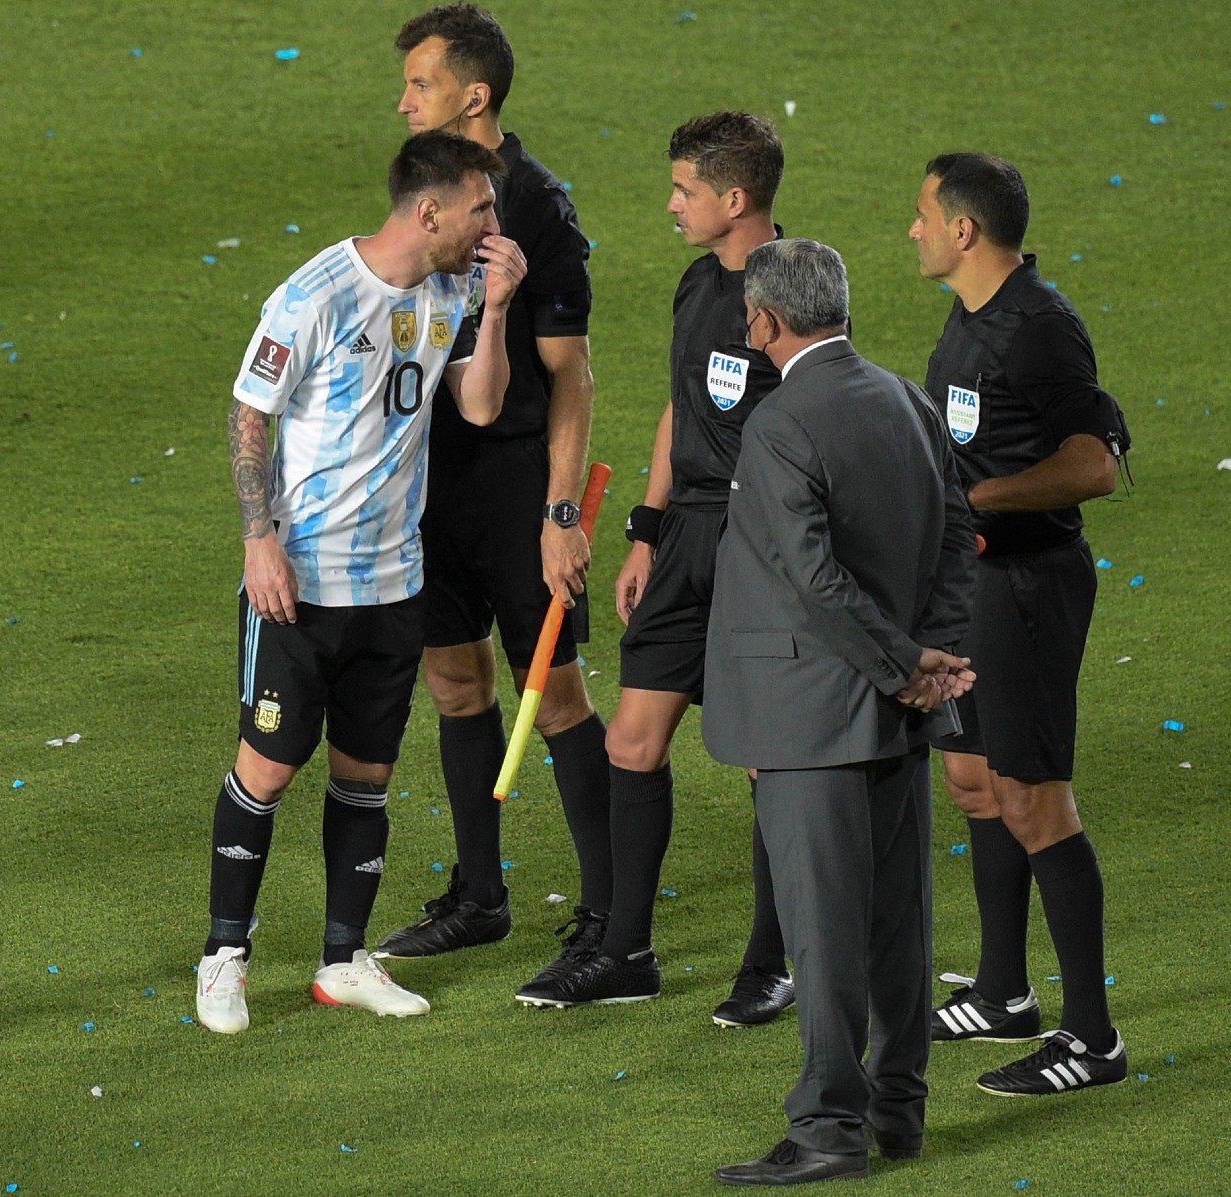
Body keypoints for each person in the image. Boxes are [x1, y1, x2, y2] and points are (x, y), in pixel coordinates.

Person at [194, 131, 526, 1035]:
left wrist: (495, 309)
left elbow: (482, 403)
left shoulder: (457, 287)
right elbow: (248, 413)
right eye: (481, 209)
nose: (493, 223)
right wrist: (259, 539)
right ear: (430, 211)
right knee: (266, 769)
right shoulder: (316, 295)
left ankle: (343, 959)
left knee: (366, 777)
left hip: (393, 581)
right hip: (298, 587)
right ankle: (225, 954)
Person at [704, 239, 976, 1186]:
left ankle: (827, 1127)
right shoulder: (907, 399)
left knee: (822, 929)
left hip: (810, 716)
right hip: (892, 716)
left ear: (766, 323)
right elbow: (956, 534)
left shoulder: (783, 422)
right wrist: (930, 662)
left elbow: (809, 578)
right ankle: (898, 1109)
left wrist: (906, 665)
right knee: (897, 921)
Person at [513, 111, 793, 1025]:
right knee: (632, 742)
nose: (672, 204)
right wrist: (645, 529)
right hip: (686, 542)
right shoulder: (696, 283)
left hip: (762, 544)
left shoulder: (794, 291)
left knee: (764, 761)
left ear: (734, 198)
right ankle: (627, 951)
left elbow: (818, 422)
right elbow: (683, 407)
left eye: (686, 190)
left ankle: (771, 961)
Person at [372, 5, 615, 990]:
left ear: (473, 96)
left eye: (419, 85)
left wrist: (560, 516)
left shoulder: (539, 211)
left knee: (553, 698)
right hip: (426, 484)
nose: (401, 101)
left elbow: (571, 378)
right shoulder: (427, 194)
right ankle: (479, 897)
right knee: (454, 684)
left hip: (515, 485)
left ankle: (609, 914)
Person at [909, 152, 1131, 1094]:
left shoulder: (1040, 327)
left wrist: (978, 499)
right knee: (972, 779)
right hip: (973, 589)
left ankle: (1094, 1041)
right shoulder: (970, 318)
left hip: (1030, 590)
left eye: (923, 214)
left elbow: (1095, 464)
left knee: (1037, 800)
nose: (913, 229)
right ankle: (1003, 993)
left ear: (965, 229)